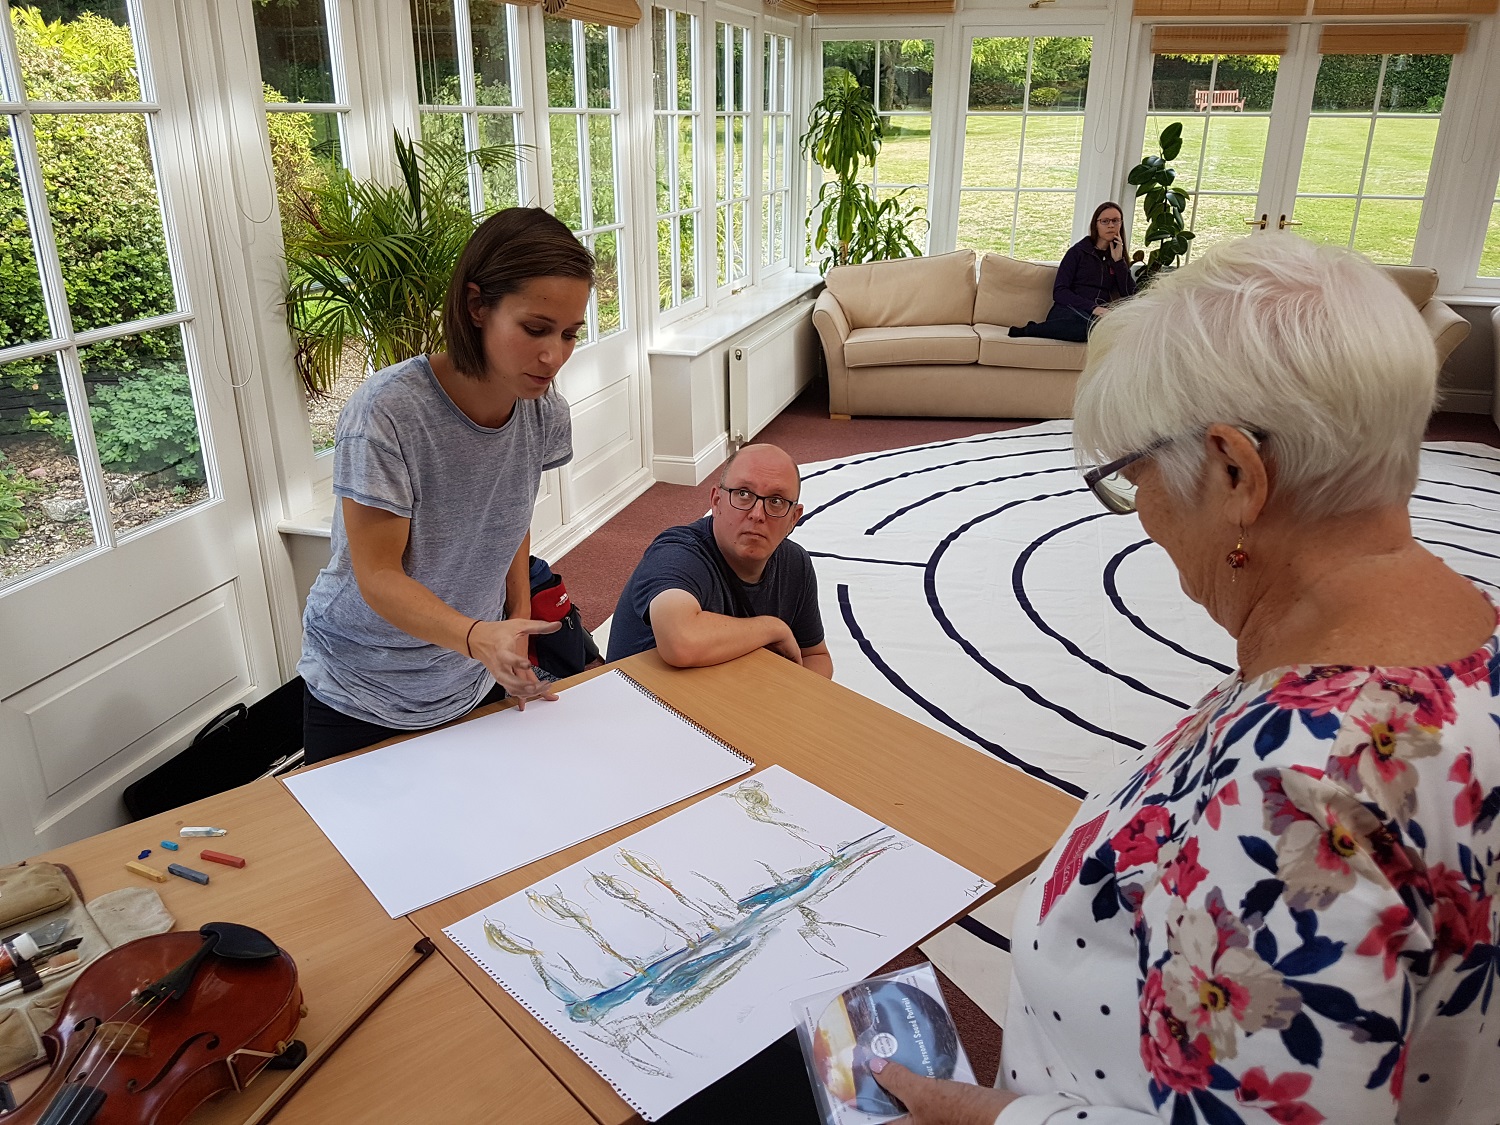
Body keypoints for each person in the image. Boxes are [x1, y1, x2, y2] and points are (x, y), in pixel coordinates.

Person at [871, 234, 1500, 1123]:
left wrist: (983, 1115)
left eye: (1136, 475)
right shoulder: (1468, 644)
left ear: (1236, 471)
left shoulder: (1302, 795)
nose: (1144, 513)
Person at [298, 208, 595, 765]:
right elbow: (377, 576)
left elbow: (508, 518)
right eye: (535, 329)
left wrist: (514, 621)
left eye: (568, 334)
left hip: (468, 670)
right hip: (363, 685)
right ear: (476, 306)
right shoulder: (387, 412)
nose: (553, 355)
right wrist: (478, 635)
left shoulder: (544, 411)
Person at [606, 443, 833, 678]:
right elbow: (681, 642)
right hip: (644, 695)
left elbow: (815, 656)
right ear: (716, 501)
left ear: (793, 519)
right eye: (743, 494)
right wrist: (774, 628)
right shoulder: (676, 553)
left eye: (776, 501)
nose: (757, 514)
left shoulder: (795, 563)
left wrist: (793, 695)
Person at [1009, 202, 1134, 343]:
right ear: (1096, 225)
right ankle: (1030, 330)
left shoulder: (1118, 259)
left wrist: (1118, 262)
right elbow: (1060, 291)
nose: (1111, 225)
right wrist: (1093, 308)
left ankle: (1039, 329)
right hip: (1068, 311)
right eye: (1105, 221)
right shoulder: (1078, 252)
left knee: (1101, 328)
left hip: (1094, 316)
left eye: (1115, 221)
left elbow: (1131, 295)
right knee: (1087, 327)